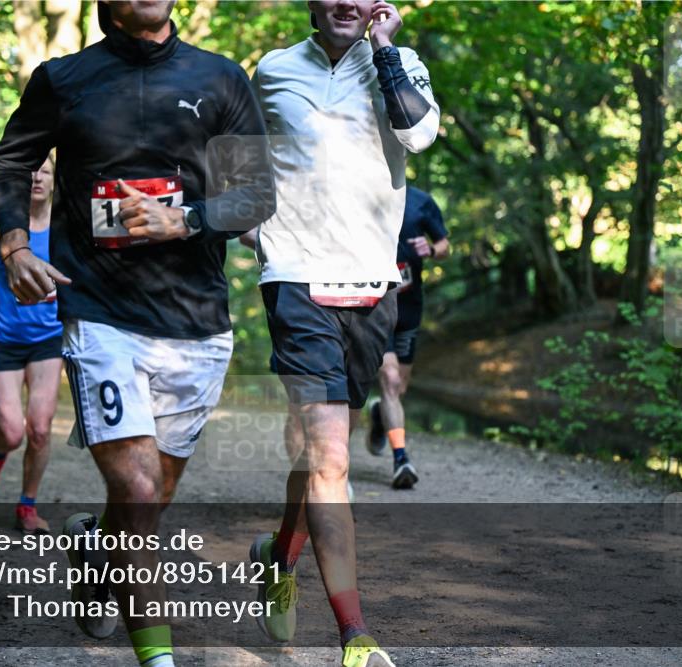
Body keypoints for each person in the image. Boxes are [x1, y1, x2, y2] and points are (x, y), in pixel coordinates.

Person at [0, 1, 275, 664]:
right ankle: (157, 657)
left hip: (196, 320)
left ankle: (95, 548)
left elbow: (256, 193)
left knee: (150, 497)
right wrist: (15, 245)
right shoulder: (63, 78)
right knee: (139, 488)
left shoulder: (220, 78)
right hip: (98, 310)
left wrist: (187, 218)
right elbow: (12, 162)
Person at [246, 2, 438, 665]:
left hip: (372, 286)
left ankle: (279, 556)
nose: (346, 3)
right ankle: (355, 636)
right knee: (330, 457)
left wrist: (385, 51)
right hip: (296, 278)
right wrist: (248, 220)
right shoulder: (273, 69)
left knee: (316, 454)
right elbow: (239, 150)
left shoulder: (401, 64)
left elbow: (418, 135)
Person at [0, 156, 63, 535]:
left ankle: (27, 507)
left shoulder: (66, 228)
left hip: (48, 340)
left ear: (54, 180)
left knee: (39, 429)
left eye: (45, 171)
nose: (37, 177)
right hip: (4, 338)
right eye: (31, 171)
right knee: (12, 433)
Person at [367, 186, 450, 489]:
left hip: (409, 308)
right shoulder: (362, 191)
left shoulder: (420, 201)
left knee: (398, 387)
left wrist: (432, 249)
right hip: (375, 306)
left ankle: (380, 414)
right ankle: (401, 459)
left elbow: (444, 245)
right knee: (389, 379)